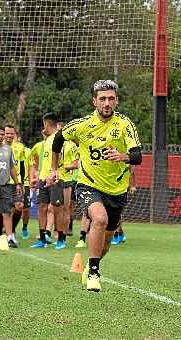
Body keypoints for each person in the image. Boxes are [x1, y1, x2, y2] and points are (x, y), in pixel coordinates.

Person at [51, 80, 142, 291]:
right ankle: (93, 272)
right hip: (88, 184)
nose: (107, 103)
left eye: (111, 99)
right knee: (99, 219)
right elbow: (58, 139)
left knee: (106, 244)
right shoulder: (81, 125)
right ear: (94, 101)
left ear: (117, 101)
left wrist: (123, 156)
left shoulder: (124, 124)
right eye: (102, 99)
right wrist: (54, 169)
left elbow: (137, 156)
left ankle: (93, 263)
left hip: (117, 190)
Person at [32, 112, 67, 250]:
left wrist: (53, 174)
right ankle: (42, 238)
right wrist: (39, 176)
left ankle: (61, 238)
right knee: (42, 207)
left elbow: (59, 160)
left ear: (46, 124)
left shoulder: (58, 139)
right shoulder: (47, 140)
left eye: (43, 124)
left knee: (58, 209)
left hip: (55, 179)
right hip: (43, 179)